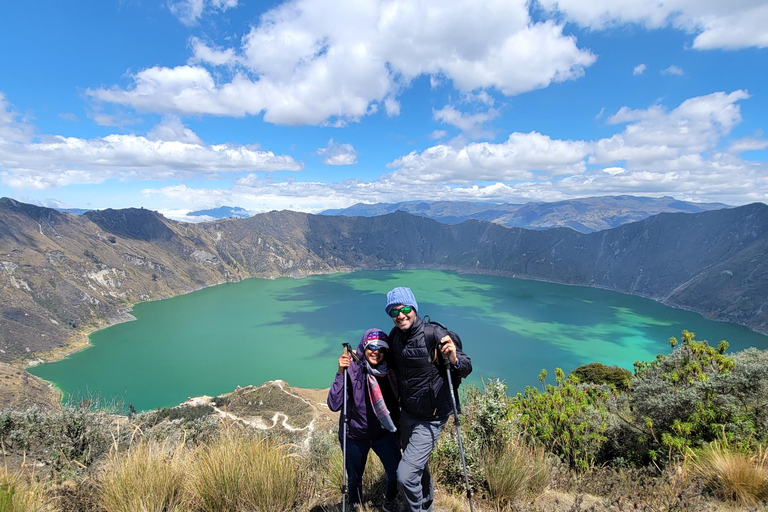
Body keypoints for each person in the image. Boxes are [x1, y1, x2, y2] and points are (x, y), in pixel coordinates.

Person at [384, 287, 472, 512]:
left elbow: (466, 366)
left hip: (431, 418)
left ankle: (416, 510)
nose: (400, 316)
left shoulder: (434, 335)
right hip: (408, 414)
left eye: (405, 309)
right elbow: (387, 367)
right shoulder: (395, 337)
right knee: (417, 466)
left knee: (405, 475)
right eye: (394, 312)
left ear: (414, 308)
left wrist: (454, 359)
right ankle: (427, 504)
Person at [328, 329, 402, 511]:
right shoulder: (351, 369)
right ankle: (356, 506)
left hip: (383, 433)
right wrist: (340, 372)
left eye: (382, 349)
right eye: (372, 347)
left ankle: (389, 501)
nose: (376, 352)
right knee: (354, 479)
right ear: (364, 346)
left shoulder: (389, 373)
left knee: (398, 473)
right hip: (354, 435)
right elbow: (334, 404)